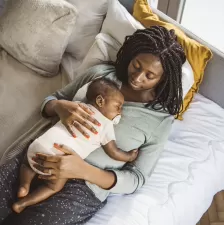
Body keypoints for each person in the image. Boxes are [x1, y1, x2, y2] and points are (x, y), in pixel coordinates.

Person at [0, 26, 186, 225]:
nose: (138, 77)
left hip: (84, 187)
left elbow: (137, 178)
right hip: (43, 152)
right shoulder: (100, 75)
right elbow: (52, 100)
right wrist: (59, 106)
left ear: (163, 79)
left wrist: (82, 170)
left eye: (150, 76)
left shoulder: (159, 121)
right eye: (136, 65)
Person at [12, 78, 139, 214]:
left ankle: (24, 185)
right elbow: (113, 152)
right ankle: (23, 203)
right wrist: (129, 156)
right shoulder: (106, 126)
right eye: (118, 107)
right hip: (59, 163)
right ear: (100, 101)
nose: (120, 112)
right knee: (53, 187)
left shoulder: (77, 106)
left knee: (27, 163)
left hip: (38, 147)